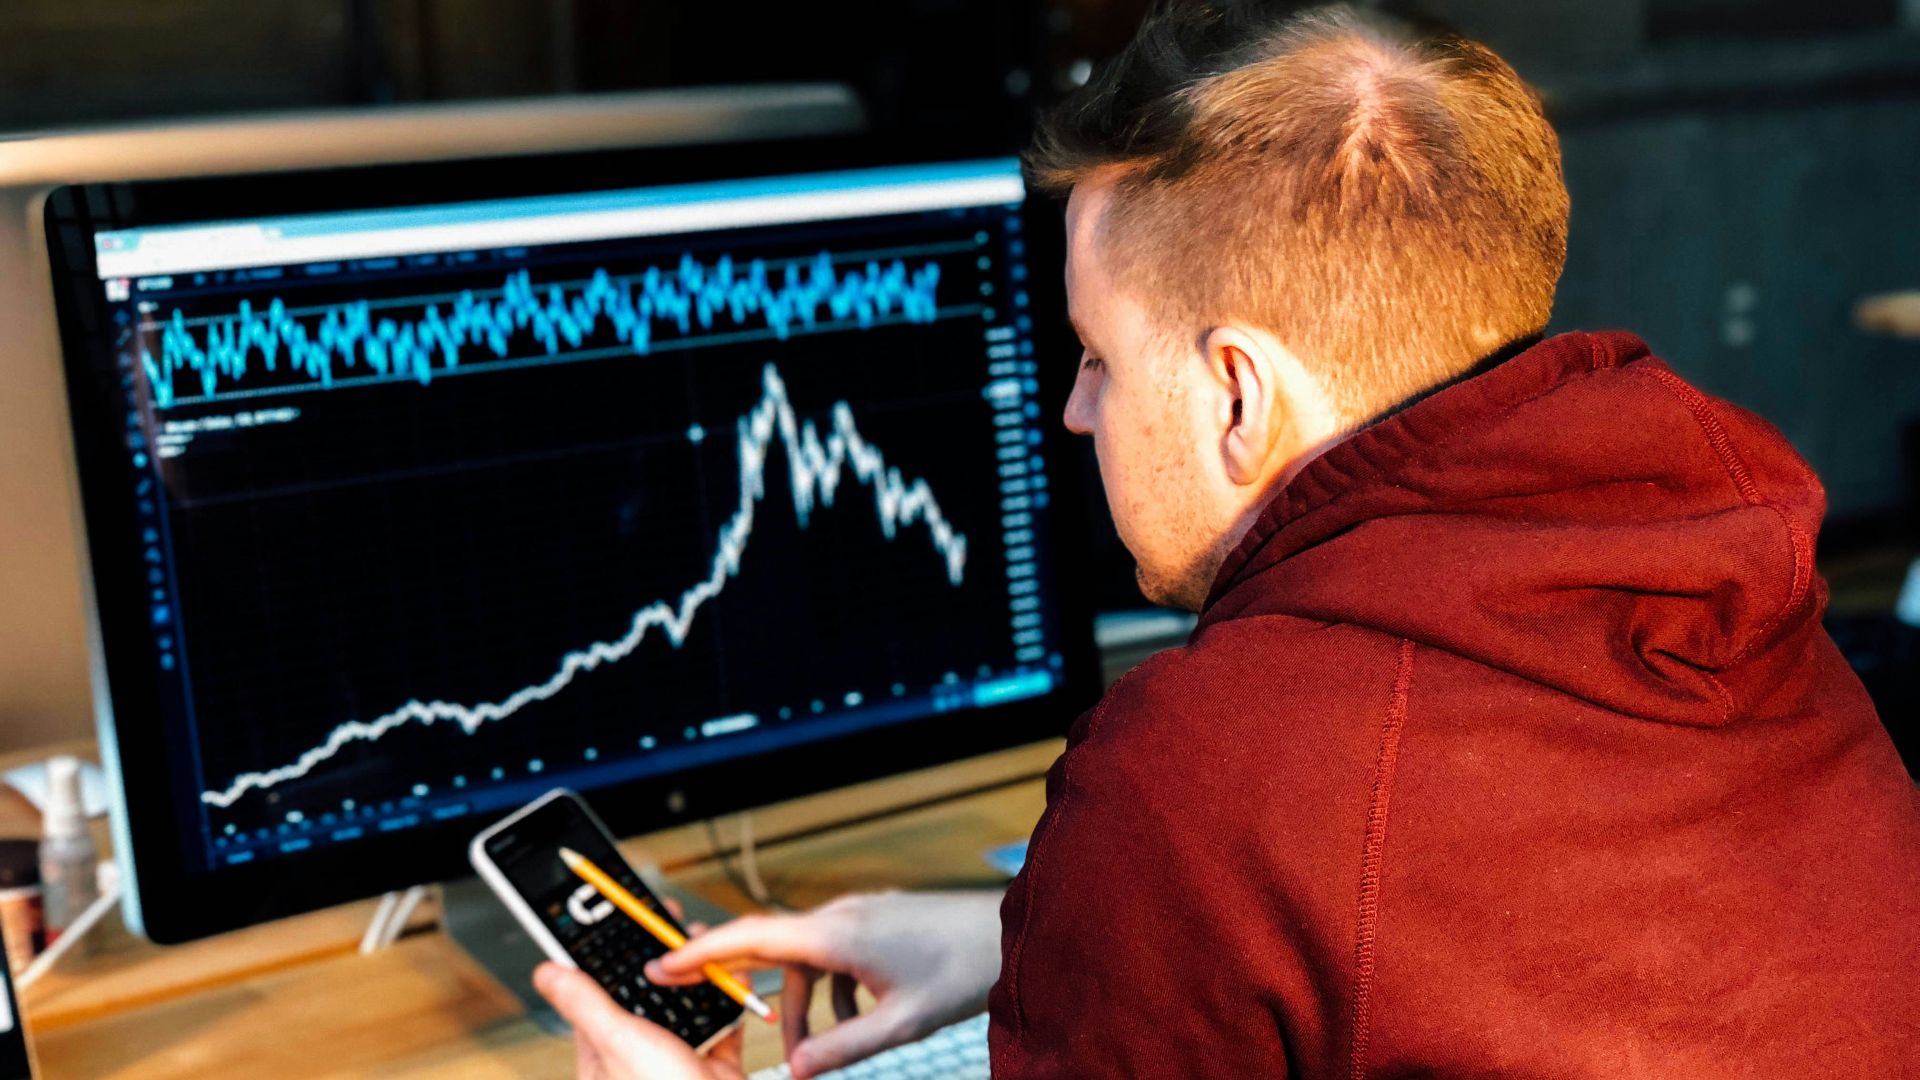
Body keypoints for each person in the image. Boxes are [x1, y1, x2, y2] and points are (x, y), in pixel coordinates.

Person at [534, 3, 1920, 1076]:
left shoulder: (1214, 773)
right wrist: (1031, 946)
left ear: (1240, 392)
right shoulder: (1734, 585)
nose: (1074, 413)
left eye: (1096, 359)